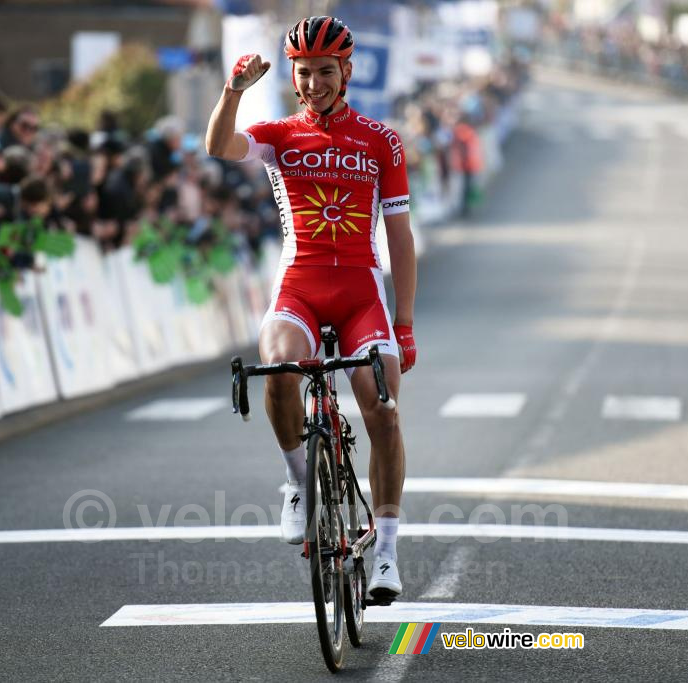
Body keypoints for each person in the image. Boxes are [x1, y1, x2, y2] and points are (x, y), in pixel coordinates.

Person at [205, 15, 418, 604]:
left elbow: (400, 241)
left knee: (384, 407)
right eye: (306, 73)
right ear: (293, 78)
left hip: (360, 293)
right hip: (298, 285)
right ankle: (299, 485)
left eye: (327, 71)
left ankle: (387, 551)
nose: (316, 82)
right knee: (278, 370)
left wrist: (403, 324)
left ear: (346, 72)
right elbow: (219, 146)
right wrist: (234, 92)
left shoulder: (381, 140)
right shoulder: (278, 134)